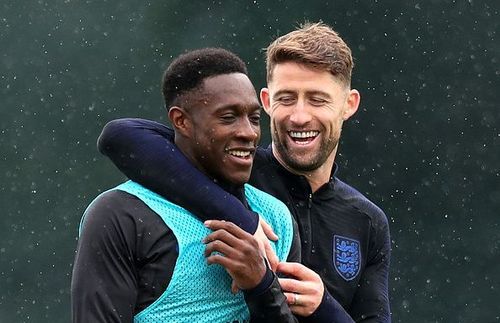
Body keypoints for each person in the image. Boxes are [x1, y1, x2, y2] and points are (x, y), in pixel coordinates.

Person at [98, 22, 391, 322]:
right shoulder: (231, 172)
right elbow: (121, 137)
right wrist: (241, 217)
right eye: (286, 98)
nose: (300, 116)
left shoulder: (367, 221)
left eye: (318, 100)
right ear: (265, 101)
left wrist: (323, 308)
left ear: (349, 104)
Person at [71, 48, 302, 323]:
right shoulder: (121, 215)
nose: (248, 132)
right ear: (181, 121)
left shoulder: (276, 219)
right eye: (228, 117)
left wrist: (261, 285)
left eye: (254, 118)